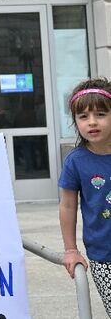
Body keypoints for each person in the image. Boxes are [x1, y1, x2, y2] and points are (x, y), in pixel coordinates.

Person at [58, 78, 111, 317]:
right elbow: (68, 206)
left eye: (100, 114)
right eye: (83, 117)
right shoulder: (75, 161)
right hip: (103, 255)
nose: (92, 122)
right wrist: (71, 250)